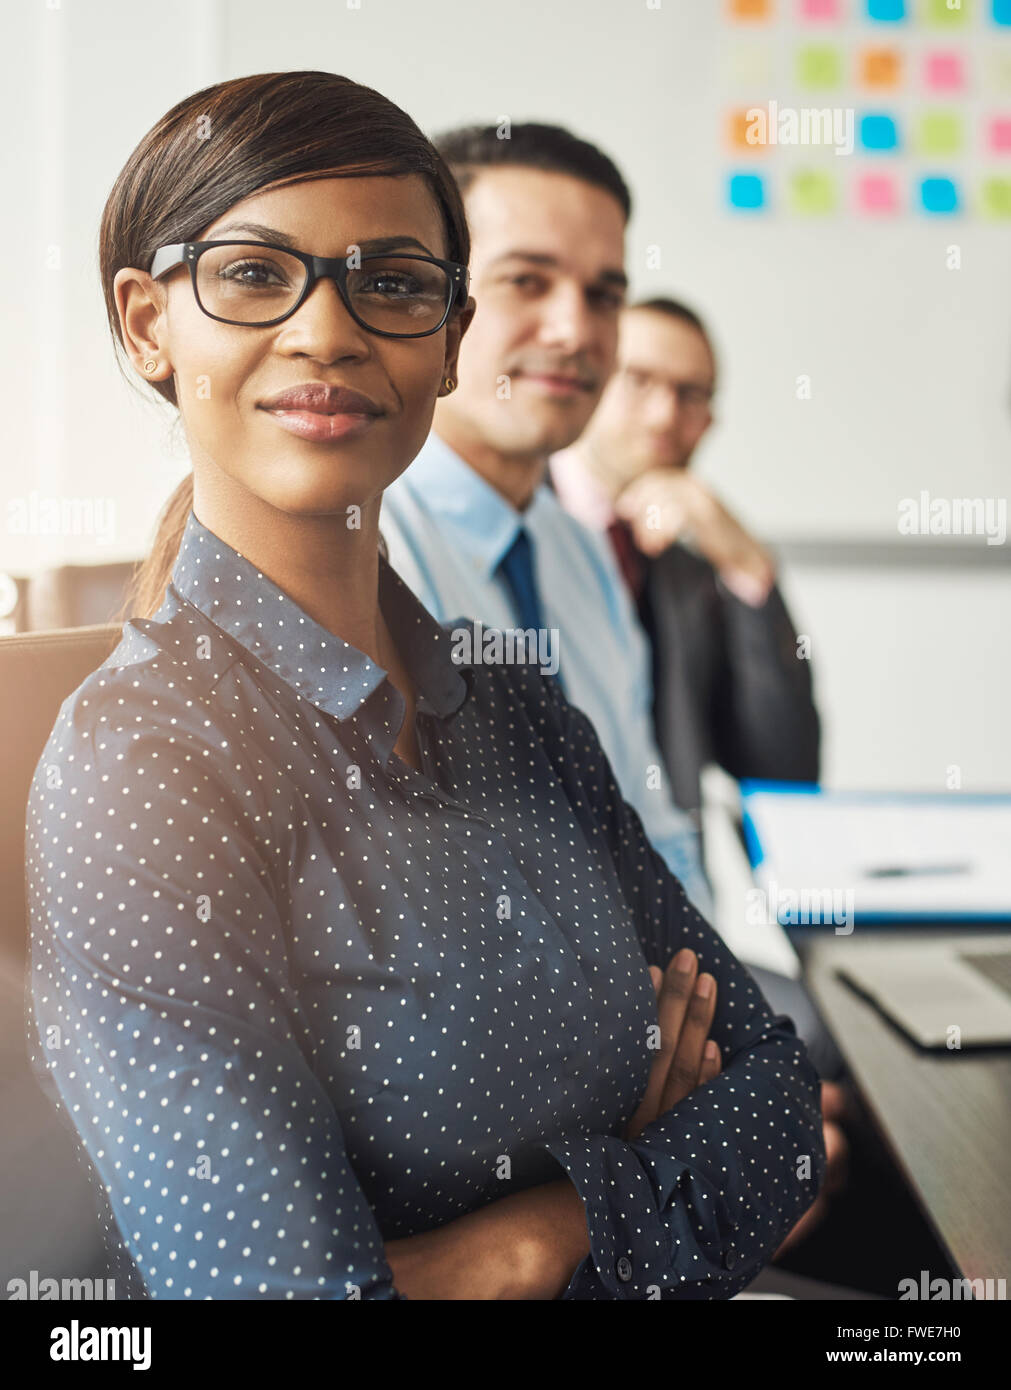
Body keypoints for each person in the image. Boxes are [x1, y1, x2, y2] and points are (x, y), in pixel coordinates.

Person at [24, 71, 825, 1301]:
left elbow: (773, 1114)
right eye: (252, 273)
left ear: (447, 346)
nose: (329, 331)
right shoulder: (144, 766)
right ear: (147, 324)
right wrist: (636, 1168)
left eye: (391, 282)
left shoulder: (514, 705)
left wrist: (528, 1241)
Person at [379, 125, 711, 917]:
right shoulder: (364, 541)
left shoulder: (578, 553)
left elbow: (651, 823)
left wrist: (709, 994)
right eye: (527, 281)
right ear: (435, 298)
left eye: (603, 295)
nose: (573, 331)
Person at [550, 297, 821, 818]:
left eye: (690, 395)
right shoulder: (514, 520)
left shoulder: (692, 568)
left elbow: (785, 769)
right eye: (640, 380)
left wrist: (748, 568)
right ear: (592, 376)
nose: (665, 416)